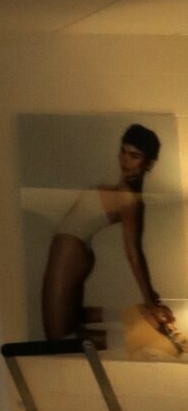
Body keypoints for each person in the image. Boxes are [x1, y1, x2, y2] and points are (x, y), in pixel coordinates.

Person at [40, 124, 175, 343]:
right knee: (74, 320)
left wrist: (150, 299)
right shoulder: (121, 192)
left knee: (58, 337)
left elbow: (133, 252)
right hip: (73, 249)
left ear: (148, 164)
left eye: (134, 156)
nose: (125, 160)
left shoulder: (129, 199)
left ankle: (143, 337)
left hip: (69, 249)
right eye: (123, 151)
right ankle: (136, 318)